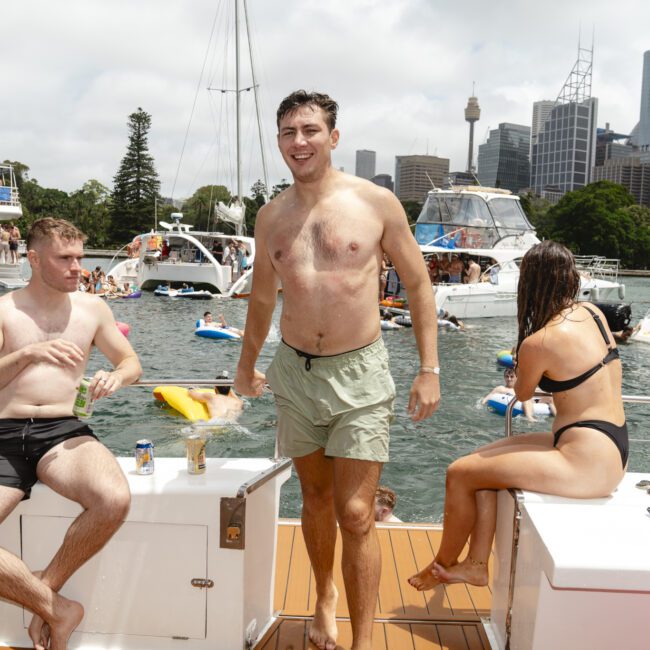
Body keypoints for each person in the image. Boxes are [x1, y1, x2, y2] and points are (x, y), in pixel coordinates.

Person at [234, 90, 440, 650]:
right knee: (315, 497)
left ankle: (363, 639)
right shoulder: (271, 216)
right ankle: (323, 595)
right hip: (294, 374)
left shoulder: (376, 203)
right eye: (287, 134)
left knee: (356, 512)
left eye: (309, 131)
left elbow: (419, 284)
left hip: (361, 373)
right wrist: (245, 366)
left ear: (333, 137)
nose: (298, 143)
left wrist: (430, 368)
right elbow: (260, 300)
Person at [408, 240, 626, 593]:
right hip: (608, 445)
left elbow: (522, 393)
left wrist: (524, 352)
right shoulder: (593, 314)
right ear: (570, 278)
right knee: (480, 461)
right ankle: (476, 566)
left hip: (587, 462)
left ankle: (442, 566)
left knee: (459, 473)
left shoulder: (540, 341)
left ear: (529, 284)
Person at [0, 218, 142, 649]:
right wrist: (27, 354)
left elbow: (131, 362)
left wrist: (116, 377)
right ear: (35, 258)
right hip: (3, 431)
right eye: (65, 258)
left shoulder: (93, 309)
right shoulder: (5, 310)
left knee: (113, 498)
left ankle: (45, 592)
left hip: (63, 431)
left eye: (80, 257)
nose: (77, 266)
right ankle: (58, 609)